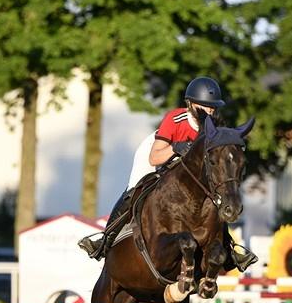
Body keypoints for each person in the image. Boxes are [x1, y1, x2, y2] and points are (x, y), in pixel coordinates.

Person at [77, 76, 257, 272]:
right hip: (156, 154)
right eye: (205, 106)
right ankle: (104, 239)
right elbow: (155, 158)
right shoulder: (176, 119)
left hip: (181, 171)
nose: (210, 111)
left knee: (214, 199)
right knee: (133, 191)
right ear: (191, 104)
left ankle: (230, 249)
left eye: (213, 107)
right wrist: (177, 147)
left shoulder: (214, 128)